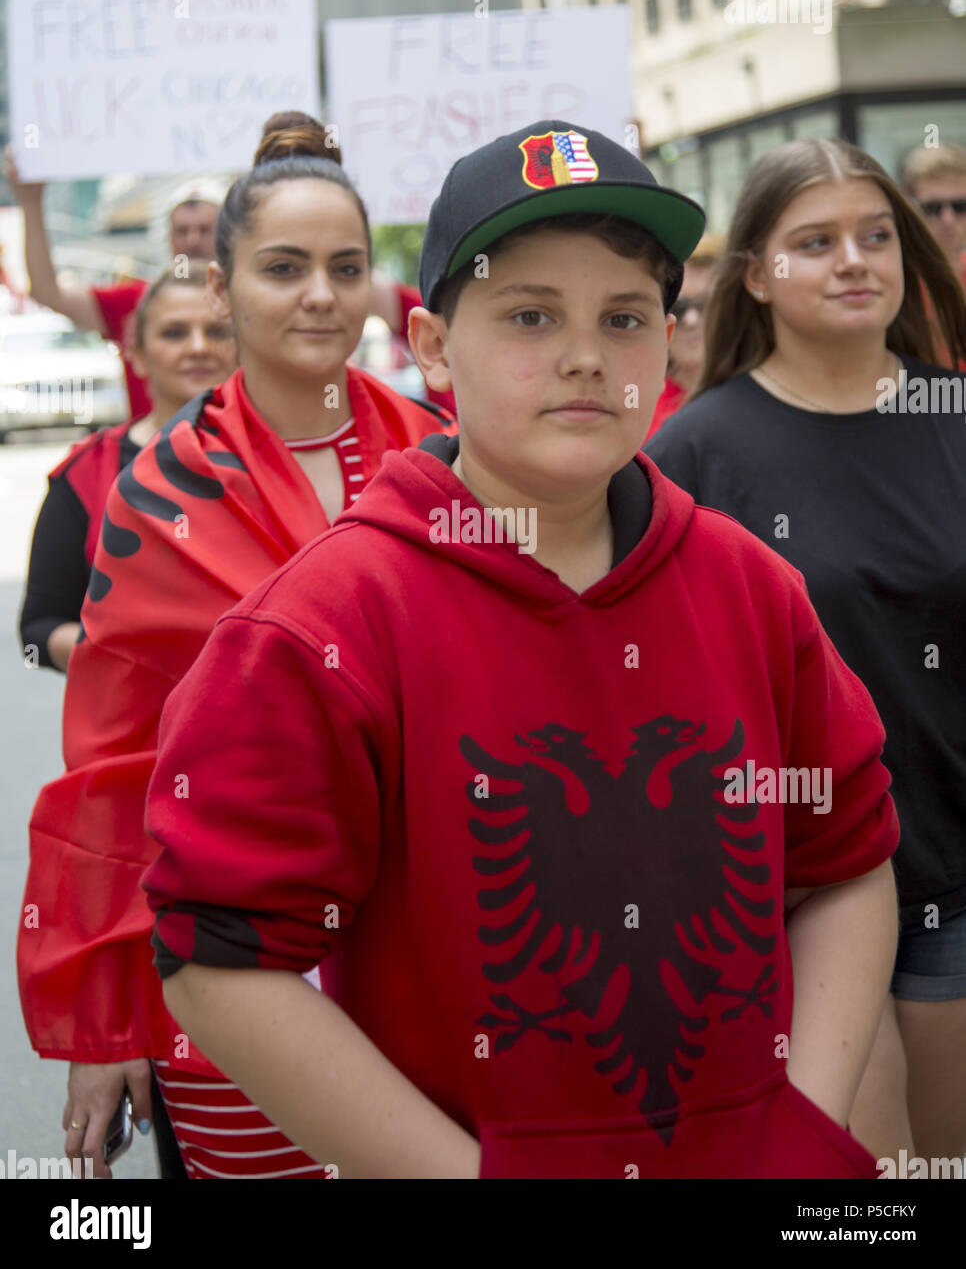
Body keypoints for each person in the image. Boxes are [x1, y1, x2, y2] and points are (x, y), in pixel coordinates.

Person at [143, 120, 898, 1179]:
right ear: (435, 347)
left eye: (626, 317)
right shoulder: (323, 624)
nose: (586, 354)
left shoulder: (750, 586)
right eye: (531, 315)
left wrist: (799, 1121)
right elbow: (215, 957)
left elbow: (848, 860)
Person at [17, 112, 453, 1180]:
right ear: (221, 289)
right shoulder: (159, 490)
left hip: (441, 953)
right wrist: (110, 1019)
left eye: (345, 267)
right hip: (236, 969)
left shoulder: (446, 457)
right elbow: (117, 770)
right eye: (283, 267)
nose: (319, 294)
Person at [645, 137, 966, 1167]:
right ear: (756, 275)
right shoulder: (689, 455)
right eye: (816, 242)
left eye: (876, 237)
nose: (854, 260)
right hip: (792, 896)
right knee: (858, 1183)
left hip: (957, 878)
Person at [19, 261, 237, 672]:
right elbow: (38, 630)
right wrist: (128, 656)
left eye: (217, 331)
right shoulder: (86, 473)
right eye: (174, 333)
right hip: (134, 730)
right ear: (135, 355)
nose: (198, 346)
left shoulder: (284, 459)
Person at [3, 146, 223, 419]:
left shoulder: (250, 301)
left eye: (217, 331)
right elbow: (48, 292)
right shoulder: (135, 301)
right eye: (173, 332)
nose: (192, 240)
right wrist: (31, 203)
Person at [645, 234, 722, 440]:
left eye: (705, 305)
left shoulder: (757, 395)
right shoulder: (637, 406)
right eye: (679, 307)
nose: (691, 320)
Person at [899, 141, 966, 289]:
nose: (948, 219)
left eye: (960, 206)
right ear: (910, 210)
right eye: (932, 208)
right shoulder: (895, 282)